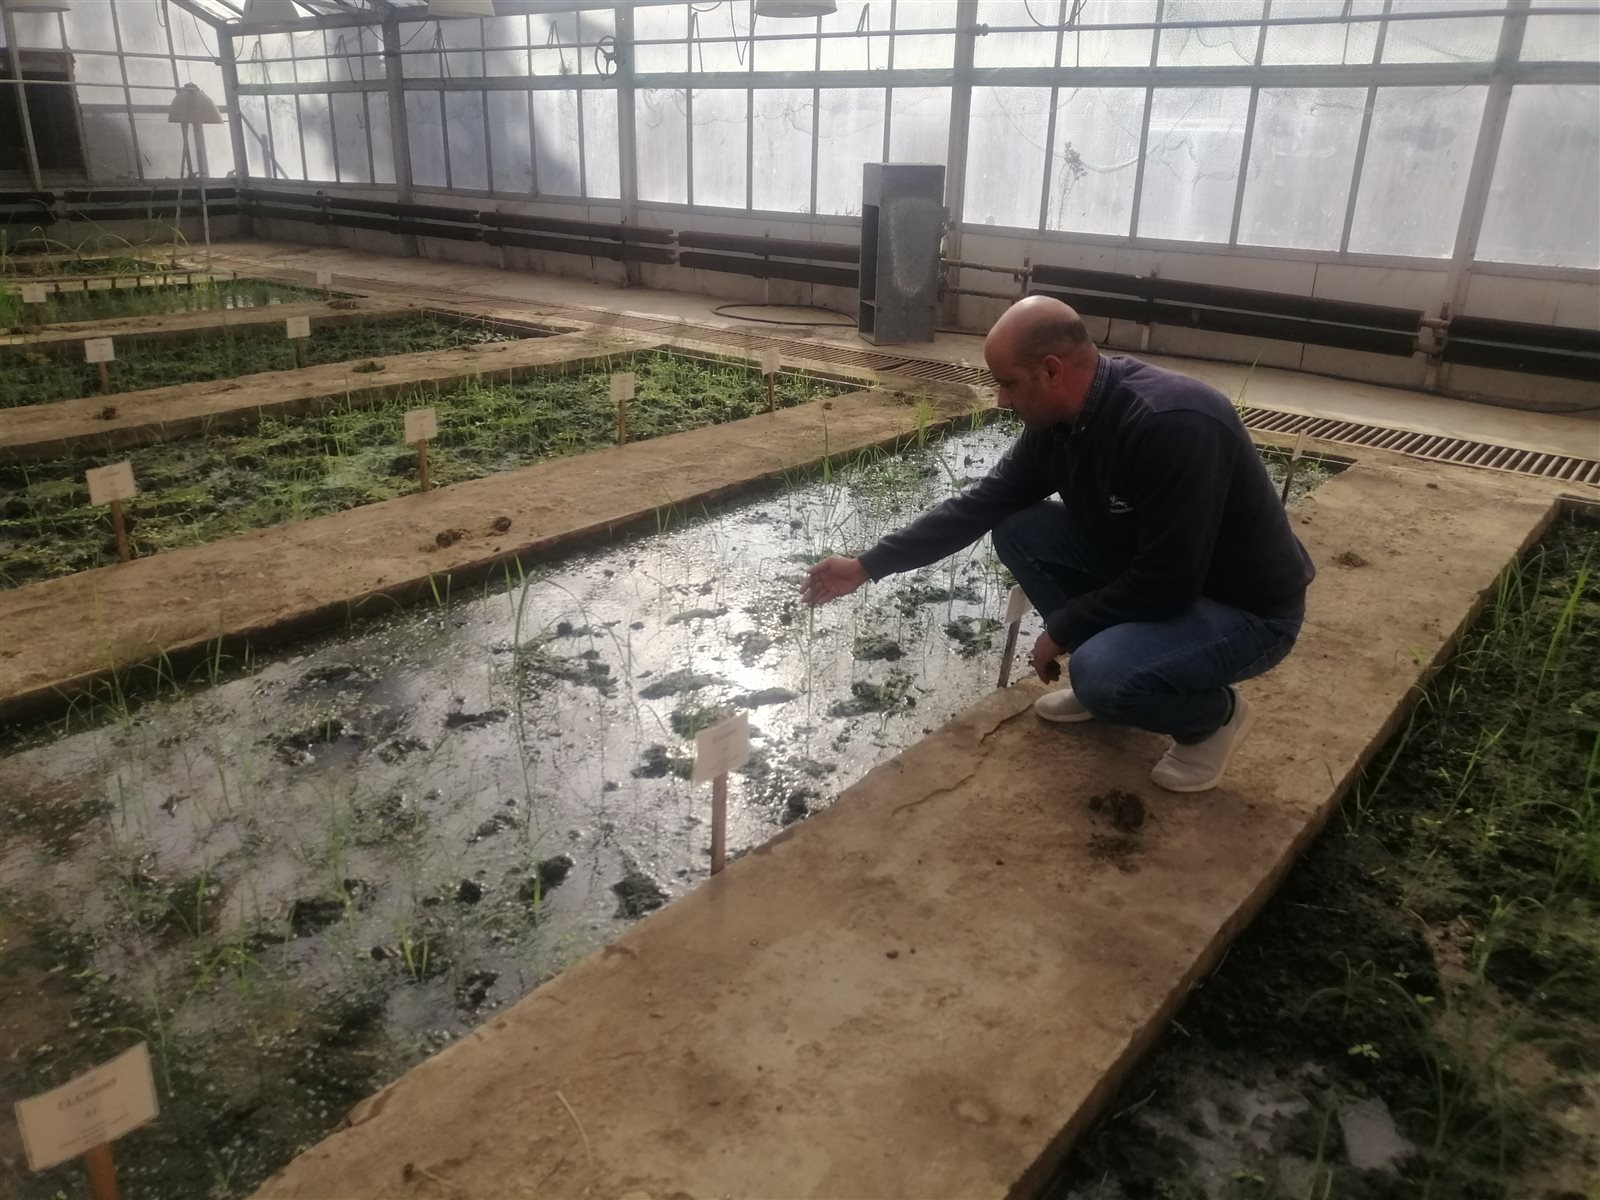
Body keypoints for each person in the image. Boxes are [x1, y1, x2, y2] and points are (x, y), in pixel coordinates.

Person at [800, 295, 1314, 793]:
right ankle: (1114, 671)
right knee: (1020, 529)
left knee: (1101, 673)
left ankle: (1214, 719)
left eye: (1008, 383)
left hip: (1245, 611)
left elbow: (1169, 582)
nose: (1001, 400)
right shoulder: (1059, 426)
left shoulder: (1170, 424)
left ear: (1051, 371)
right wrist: (867, 566)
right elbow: (981, 505)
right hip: (1164, 579)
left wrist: (1065, 629)